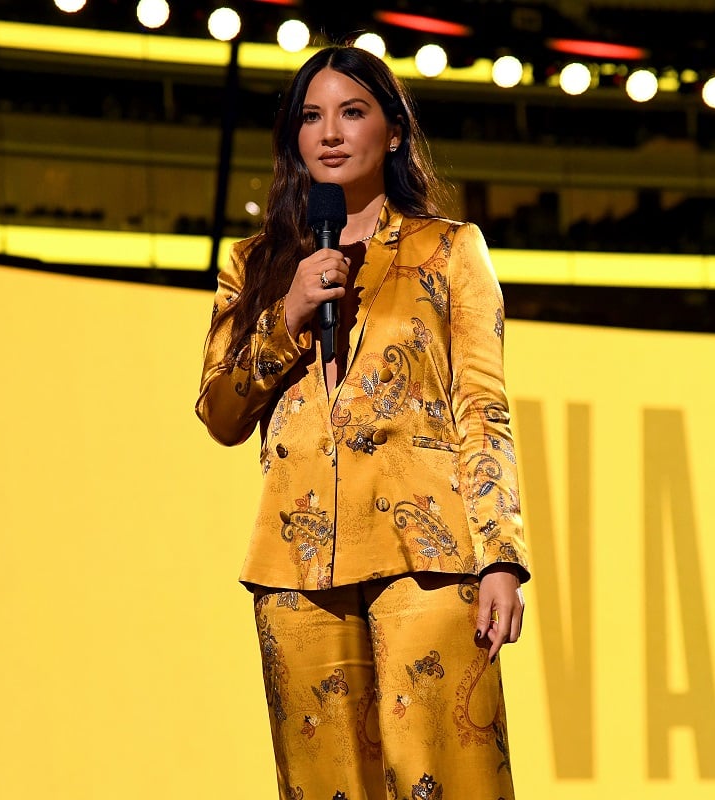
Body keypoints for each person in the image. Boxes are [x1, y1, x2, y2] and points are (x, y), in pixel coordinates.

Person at [196, 45, 530, 800]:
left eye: (353, 112)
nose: (331, 133)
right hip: (295, 570)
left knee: (444, 782)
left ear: (394, 132)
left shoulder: (448, 249)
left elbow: (483, 406)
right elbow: (219, 413)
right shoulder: (255, 265)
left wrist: (501, 555)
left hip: (430, 557)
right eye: (311, 117)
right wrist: (284, 316)